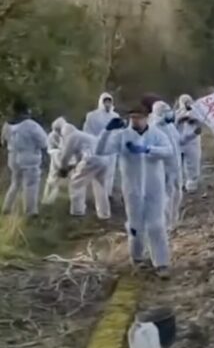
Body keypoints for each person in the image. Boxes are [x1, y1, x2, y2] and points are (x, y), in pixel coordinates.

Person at [95, 105, 173, 278]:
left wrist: (148, 150)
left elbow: (169, 151)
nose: (135, 121)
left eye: (139, 117)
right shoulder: (122, 136)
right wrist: (107, 131)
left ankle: (161, 263)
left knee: (156, 225)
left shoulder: (157, 135)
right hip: (132, 190)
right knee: (135, 227)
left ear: (146, 118)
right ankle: (137, 258)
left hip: (154, 188)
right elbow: (100, 151)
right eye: (133, 117)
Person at [1, 100, 49, 216]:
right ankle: (30, 212)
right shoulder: (31, 125)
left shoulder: (7, 125)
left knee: (15, 183)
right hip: (29, 157)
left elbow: (3, 142)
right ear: (25, 110)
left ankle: (7, 208)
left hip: (13, 157)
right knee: (31, 184)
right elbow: (44, 141)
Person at [56, 123, 110, 219]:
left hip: (91, 160)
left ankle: (77, 212)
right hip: (104, 160)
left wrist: (62, 168)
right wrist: (73, 166)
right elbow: (80, 158)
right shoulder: (84, 136)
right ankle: (104, 214)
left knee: (76, 184)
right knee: (100, 186)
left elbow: (65, 156)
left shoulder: (71, 137)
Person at [151, 101, 183, 232]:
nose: (170, 113)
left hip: (176, 166)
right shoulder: (154, 129)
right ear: (160, 113)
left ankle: (174, 220)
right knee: (166, 196)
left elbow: (179, 141)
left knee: (177, 193)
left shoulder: (170, 127)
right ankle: (166, 224)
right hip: (164, 168)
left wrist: (193, 134)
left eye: (169, 110)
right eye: (166, 111)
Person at [83, 92, 120, 197]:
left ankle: (107, 194)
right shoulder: (92, 116)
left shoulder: (115, 116)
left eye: (109, 102)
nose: (107, 104)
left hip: (111, 149)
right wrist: (89, 146)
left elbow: (118, 132)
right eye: (105, 102)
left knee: (110, 172)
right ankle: (96, 195)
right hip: (97, 147)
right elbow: (87, 131)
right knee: (98, 173)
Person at [175, 95, 202, 192]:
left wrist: (195, 121)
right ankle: (180, 184)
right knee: (178, 165)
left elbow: (200, 124)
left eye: (188, 101)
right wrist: (180, 119)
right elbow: (173, 125)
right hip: (180, 143)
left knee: (193, 164)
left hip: (192, 143)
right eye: (185, 102)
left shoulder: (196, 112)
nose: (187, 103)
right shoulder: (177, 113)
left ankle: (191, 186)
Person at [42, 117, 71, 205]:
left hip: (60, 156)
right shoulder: (52, 136)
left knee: (55, 180)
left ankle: (49, 200)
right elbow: (51, 148)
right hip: (55, 156)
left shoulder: (65, 135)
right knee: (53, 179)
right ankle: (47, 200)